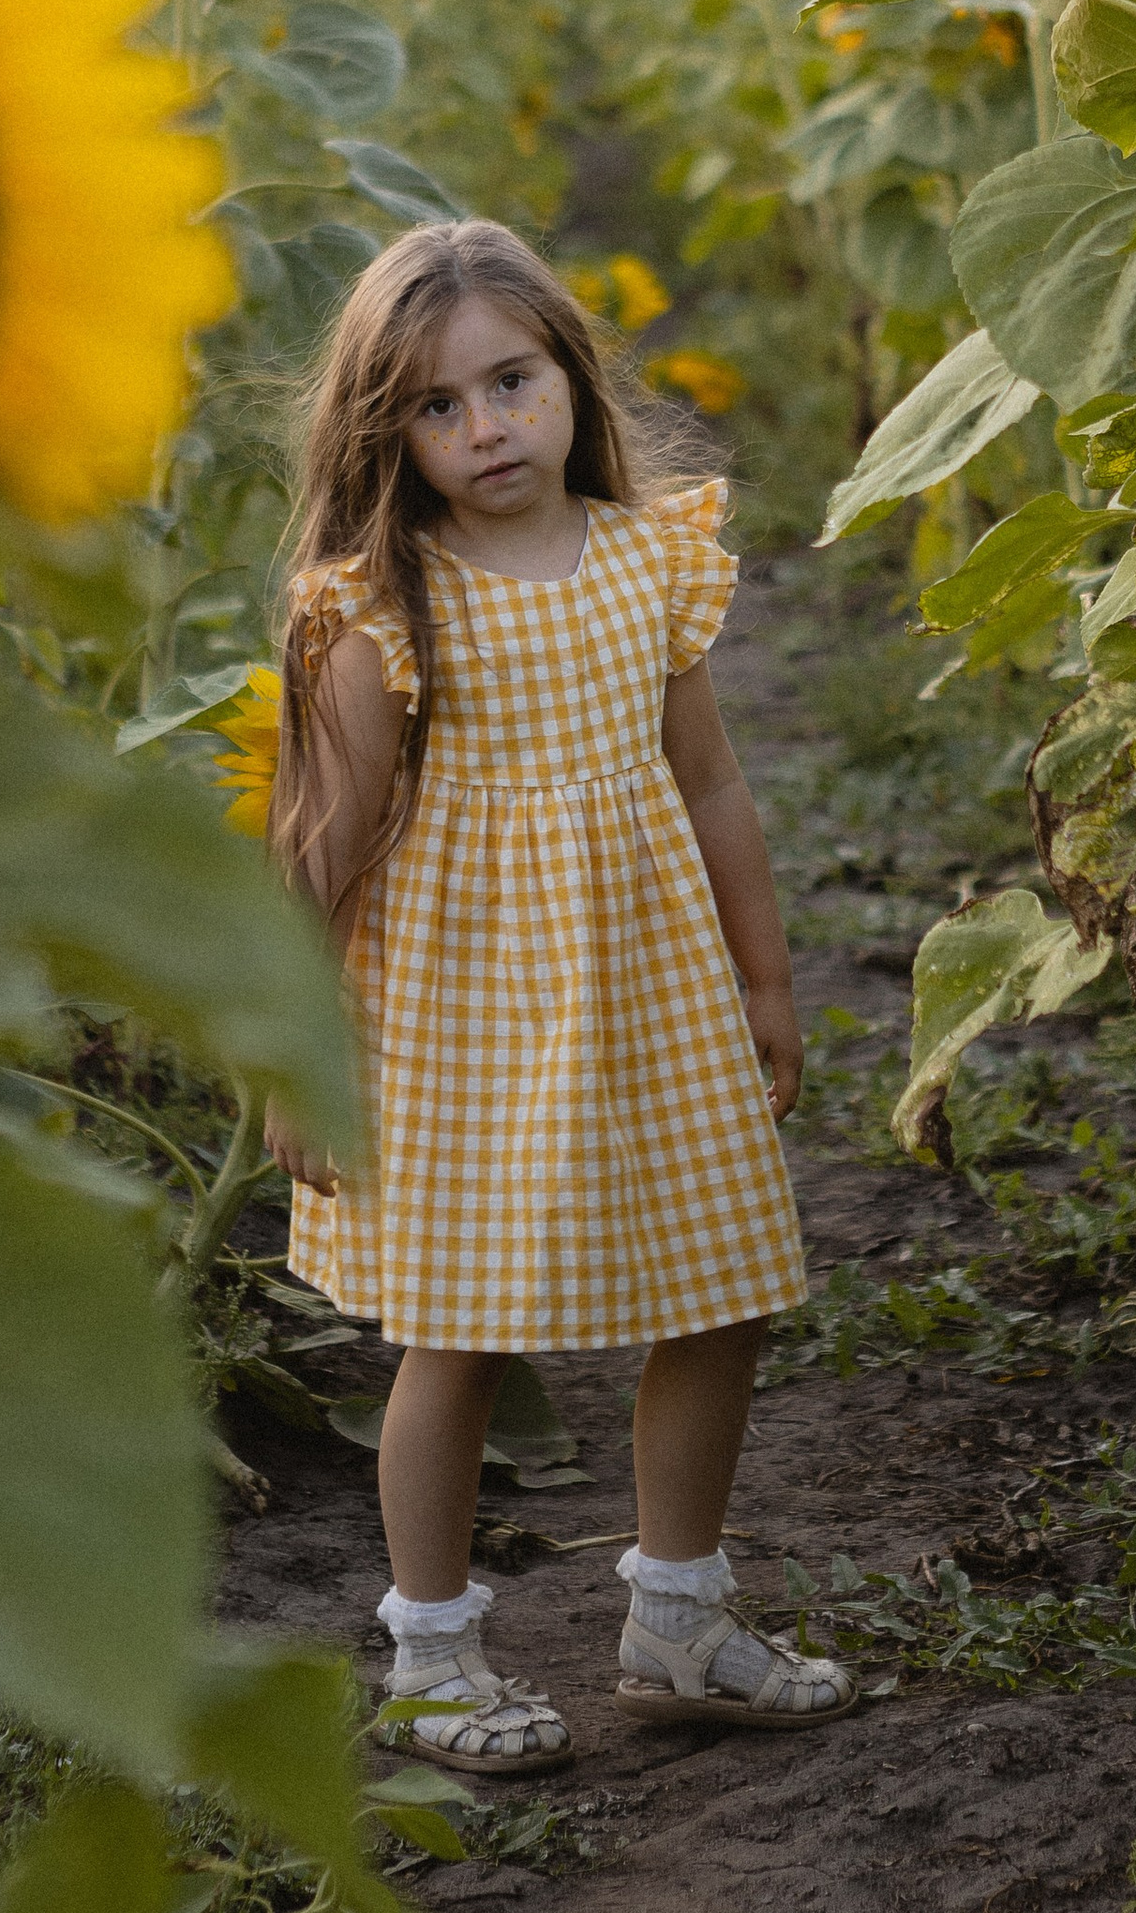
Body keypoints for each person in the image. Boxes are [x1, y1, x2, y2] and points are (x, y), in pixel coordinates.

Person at [261, 217, 853, 1769]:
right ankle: (436, 1656)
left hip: (650, 991)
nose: (486, 428)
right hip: (463, 1019)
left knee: (725, 1289)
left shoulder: (649, 555)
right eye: (438, 410)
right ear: (389, 437)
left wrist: (766, 973)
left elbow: (710, 780)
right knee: (456, 1331)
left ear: (570, 376)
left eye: (511, 382)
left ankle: (679, 1616)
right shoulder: (386, 603)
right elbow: (324, 846)